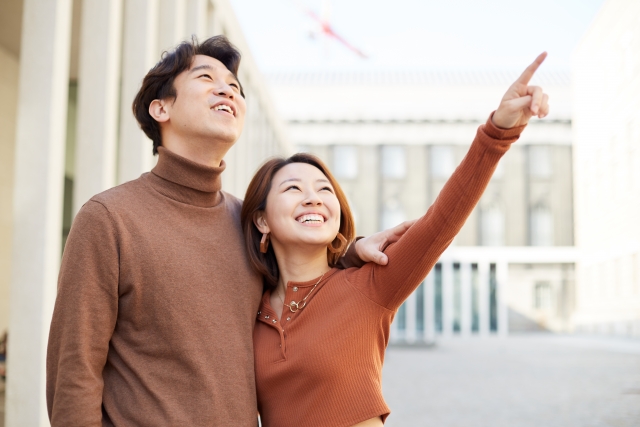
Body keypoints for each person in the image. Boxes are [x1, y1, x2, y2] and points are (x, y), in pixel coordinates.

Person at [46, 36, 407, 426]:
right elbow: (74, 375)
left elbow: (301, 273)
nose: (227, 89)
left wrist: (348, 251)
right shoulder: (108, 219)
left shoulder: (247, 223)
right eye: (206, 77)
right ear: (161, 108)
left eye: (235, 86)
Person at [241, 53, 550, 427]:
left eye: (325, 190)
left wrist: (497, 133)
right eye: (293, 188)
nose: (313, 198)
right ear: (261, 219)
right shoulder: (246, 308)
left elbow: (442, 220)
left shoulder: (370, 285)